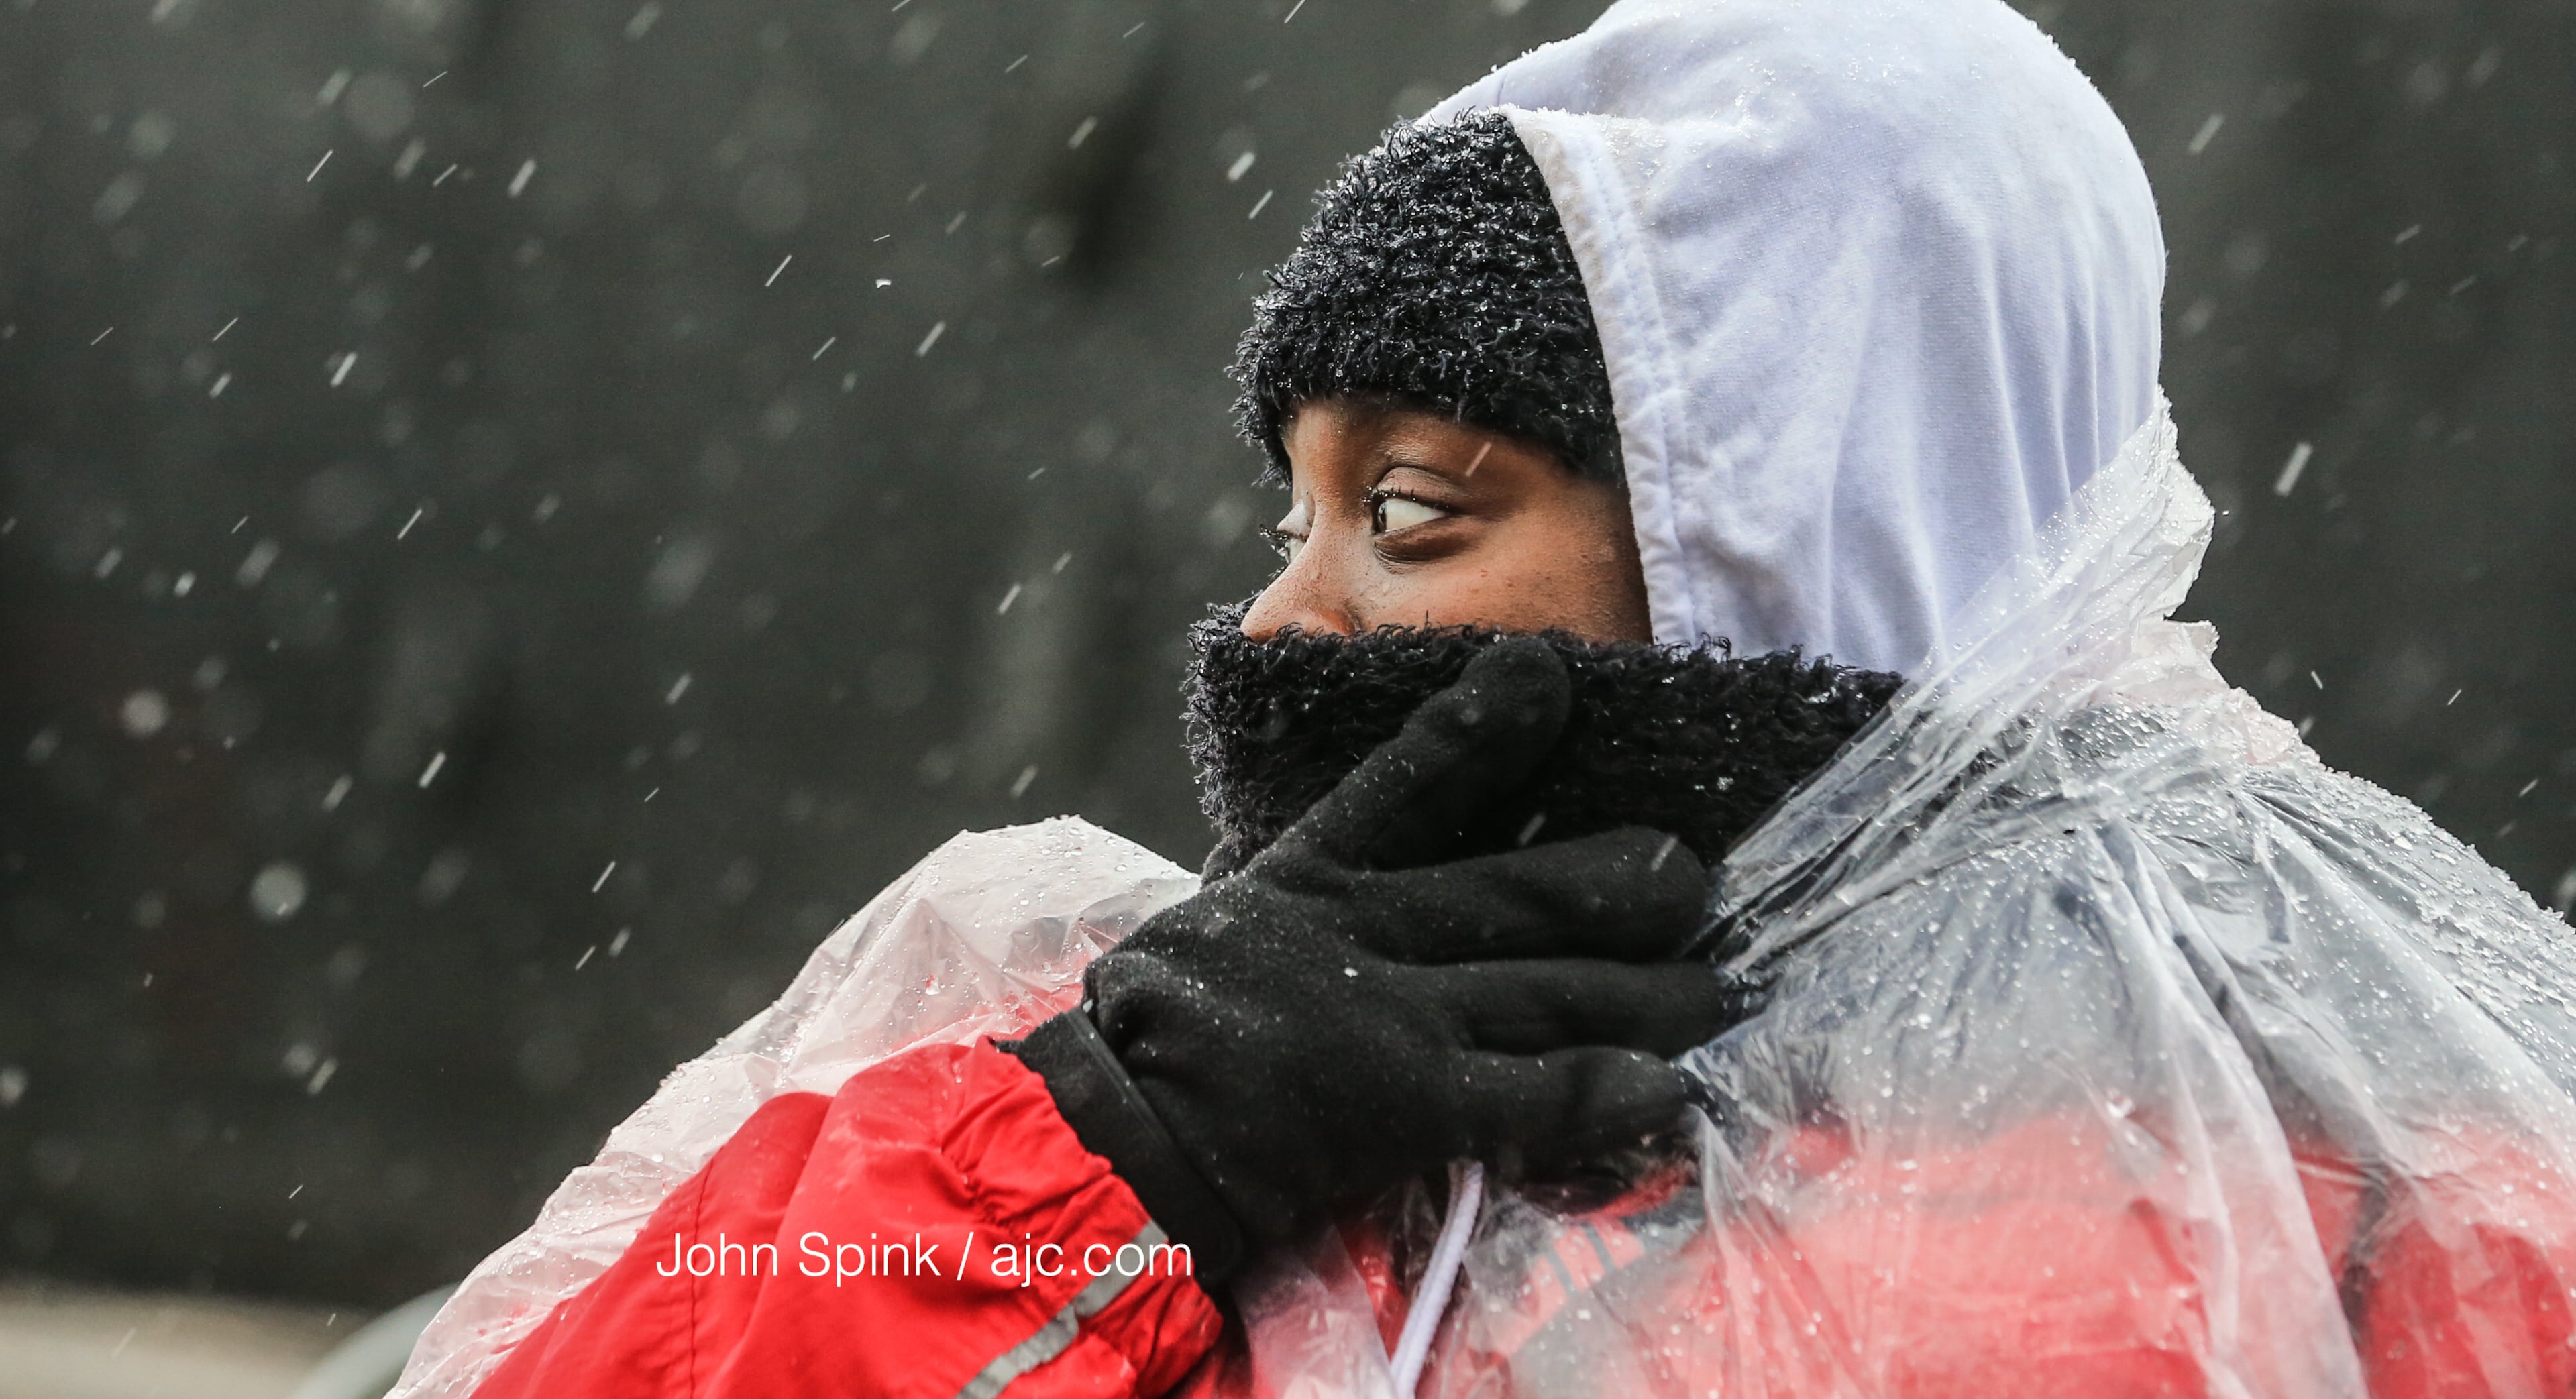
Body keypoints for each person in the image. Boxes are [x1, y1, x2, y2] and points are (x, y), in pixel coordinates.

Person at [393, 1, 2576, 1396]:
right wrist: (1083, 1175)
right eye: (1297, 513)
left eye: (1419, 517)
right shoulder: (1137, 1072)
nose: (1277, 630)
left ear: (1812, 542)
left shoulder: (2366, 1164)